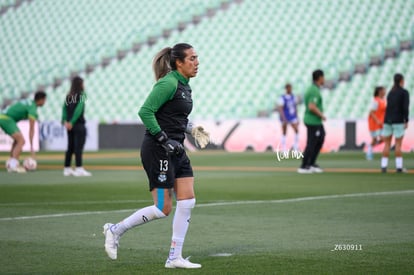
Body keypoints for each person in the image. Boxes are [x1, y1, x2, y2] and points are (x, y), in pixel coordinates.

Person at [103, 43, 209, 269]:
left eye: (196, 57)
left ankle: (174, 257)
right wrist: (163, 139)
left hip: (176, 149)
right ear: (178, 63)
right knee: (163, 208)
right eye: (192, 58)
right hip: (158, 149)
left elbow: (174, 118)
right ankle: (115, 230)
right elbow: (145, 111)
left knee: (188, 200)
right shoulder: (168, 83)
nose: (197, 62)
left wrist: (193, 130)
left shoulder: (185, 86)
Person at [0, 91, 47, 172]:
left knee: (17, 140)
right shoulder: (32, 108)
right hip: (6, 119)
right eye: (44, 100)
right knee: (21, 141)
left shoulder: (29, 103)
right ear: (41, 100)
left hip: (4, 117)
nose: (45, 102)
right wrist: (32, 147)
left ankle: (11, 162)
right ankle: (13, 165)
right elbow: (31, 129)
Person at [61, 76, 91, 177]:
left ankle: (67, 168)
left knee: (70, 147)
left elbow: (64, 109)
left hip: (69, 125)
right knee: (79, 147)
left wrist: (65, 121)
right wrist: (72, 122)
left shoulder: (68, 96)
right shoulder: (82, 95)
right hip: (78, 124)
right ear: (80, 84)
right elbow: (79, 109)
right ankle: (79, 168)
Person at [298, 69, 326, 174]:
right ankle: (304, 165)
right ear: (319, 78)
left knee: (320, 138)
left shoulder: (314, 89)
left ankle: (311, 162)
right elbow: (311, 107)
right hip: (312, 120)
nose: (324, 79)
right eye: (323, 77)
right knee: (312, 143)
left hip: (315, 121)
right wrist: (321, 115)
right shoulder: (313, 90)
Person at [381, 73, 410, 173]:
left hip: (388, 119)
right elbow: (405, 108)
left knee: (387, 144)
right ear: (401, 80)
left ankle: (383, 166)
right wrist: (406, 120)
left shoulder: (390, 92)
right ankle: (399, 167)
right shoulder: (404, 92)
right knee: (398, 144)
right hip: (398, 120)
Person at [277, 83, 301, 151]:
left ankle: (296, 147)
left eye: (291, 88)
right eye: (289, 88)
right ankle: (283, 148)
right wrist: (283, 117)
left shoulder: (294, 97)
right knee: (284, 132)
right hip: (285, 116)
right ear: (286, 89)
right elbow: (280, 108)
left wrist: (297, 117)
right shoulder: (282, 98)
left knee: (296, 130)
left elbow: (295, 107)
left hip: (292, 116)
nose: (290, 89)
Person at [366, 86, 386, 160]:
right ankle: (370, 150)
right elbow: (371, 112)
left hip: (381, 123)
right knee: (377, 139)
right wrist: (377, 120)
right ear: (380, 92)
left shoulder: (383, 100)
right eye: (384, 90)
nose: (385, 92)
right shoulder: (376, 101)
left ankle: (370, 148)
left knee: (382, 139)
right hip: (374, 123)